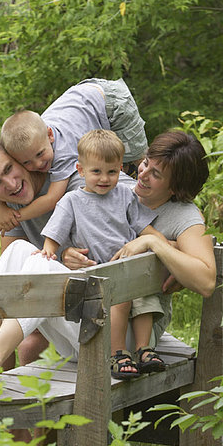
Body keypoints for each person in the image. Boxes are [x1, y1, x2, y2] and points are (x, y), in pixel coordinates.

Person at [0, 130, 216, 384]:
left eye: (156, 174)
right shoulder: (120, 189)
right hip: (87, 316)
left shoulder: (183, 215)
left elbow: (206, 280)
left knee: (42, 266)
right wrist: (67, 252)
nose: (141, 173)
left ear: (175, 187)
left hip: (121, 341)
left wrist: (155, 243)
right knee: (21, 250)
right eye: (146, 163)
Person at [39, 129, 166, 378]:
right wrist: (49, 250)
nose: (104, 179)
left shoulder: (125, 196)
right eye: (96, 171)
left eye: (112, 172)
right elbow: (55, 233)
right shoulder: (72, 201)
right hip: (97, 274)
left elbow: (145, 228)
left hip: (128, 267)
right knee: (120, 298)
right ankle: (117, 352)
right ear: (80, 169)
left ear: (120, 168)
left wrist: (166, 244)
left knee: (144, 297)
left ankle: (144, 349)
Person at [0, 78, 148, 235]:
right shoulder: (34, 138)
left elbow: (51, 199)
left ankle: (153, 202)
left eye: (40, 154)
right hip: (81, 98)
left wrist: (14, 218)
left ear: (50, 135)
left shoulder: (63, 150)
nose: (38, 164)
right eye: (27, 162)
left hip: (111, 103)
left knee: (135, 161)